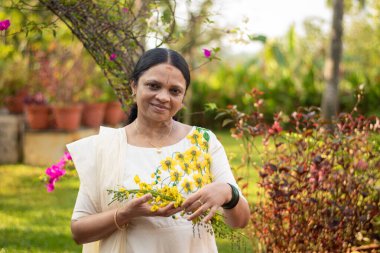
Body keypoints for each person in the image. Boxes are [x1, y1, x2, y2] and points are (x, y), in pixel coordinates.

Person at [67, 48, 250, 253]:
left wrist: (228, 192)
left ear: (182, 99)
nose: (163, 97)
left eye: (174, 91)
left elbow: (240, 221)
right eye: (153, 86)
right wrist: (125, 214)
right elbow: (79, 231)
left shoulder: (203, 141)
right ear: (134, 86)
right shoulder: (107, 147)